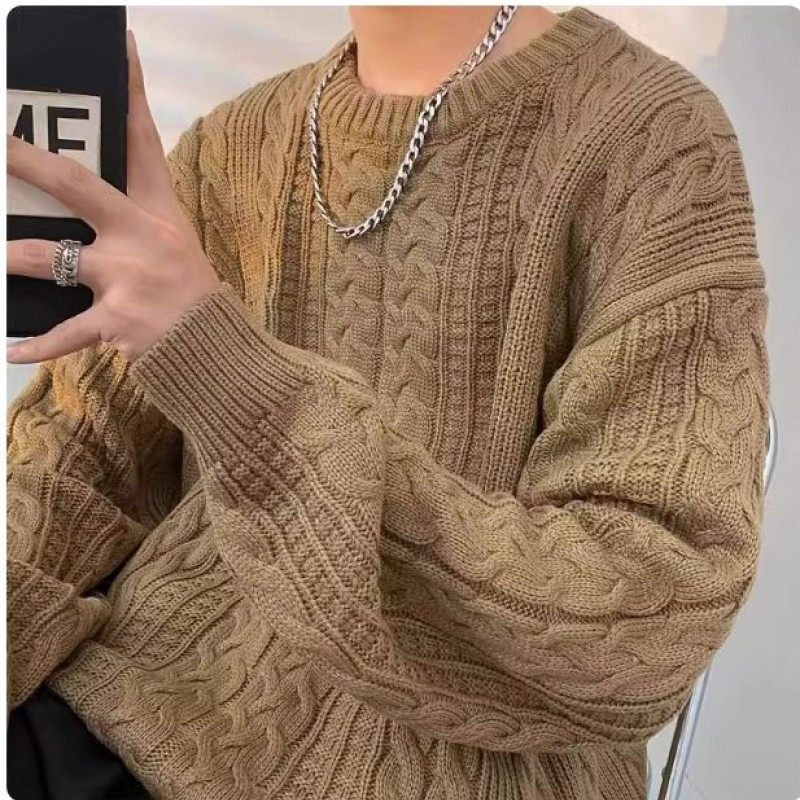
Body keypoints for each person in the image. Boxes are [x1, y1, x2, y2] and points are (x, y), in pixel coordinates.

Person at [6, 6, 770, 800]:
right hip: (130, 707)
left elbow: (648, 614)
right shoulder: (234, 142)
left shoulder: (655, 141)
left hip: (464, 766)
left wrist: (233, 376)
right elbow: (72, 459)